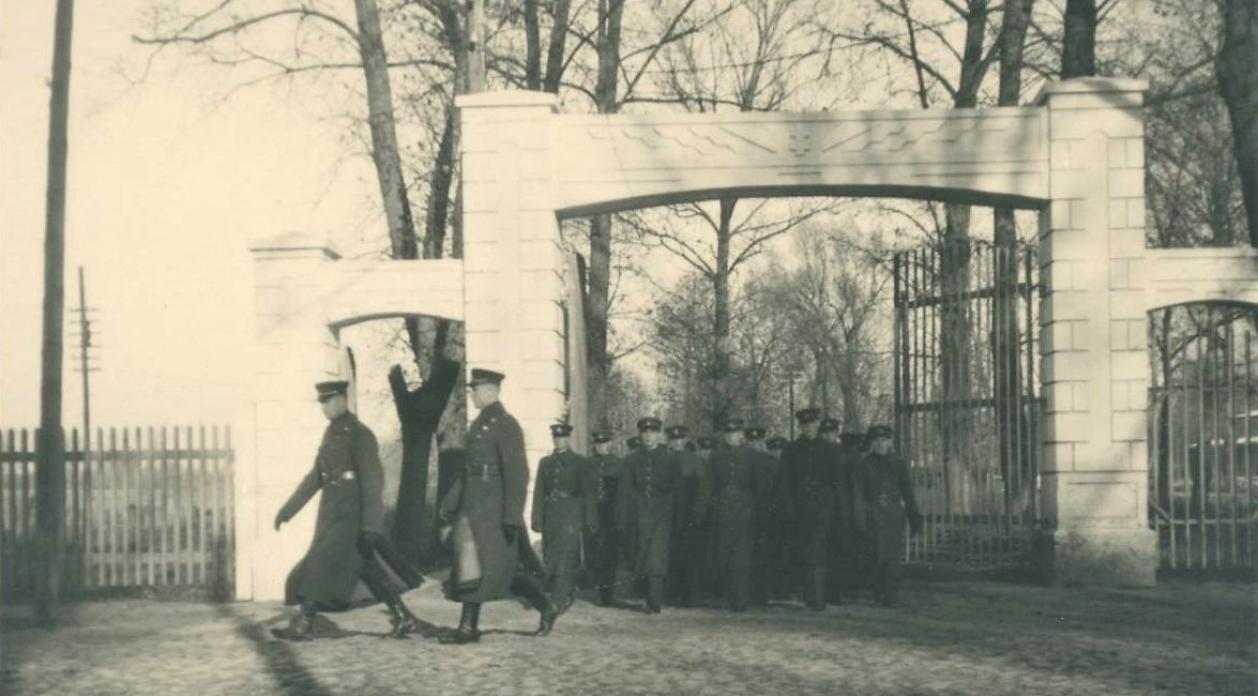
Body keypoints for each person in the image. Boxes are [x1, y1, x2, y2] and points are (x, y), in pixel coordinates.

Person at [271, 380, 425, 641]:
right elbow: (315, 477)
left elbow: (373, 482)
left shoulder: (360, 434)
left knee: (318, 563)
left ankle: (304, 624)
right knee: (366, 566)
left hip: (351, 518)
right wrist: (287, 510)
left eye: (329, 401)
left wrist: (371, 525)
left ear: (343, 399)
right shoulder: (330, 434)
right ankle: (403, 616)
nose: (324, 407)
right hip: (331, 515)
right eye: (322, 402)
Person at [436, 368, 560, 644]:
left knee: (499, 568)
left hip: (494, 510)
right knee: (475, 563)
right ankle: (468, 627)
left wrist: (512, 515)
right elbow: (467, 470)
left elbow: (518, 474)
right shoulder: (478, 425)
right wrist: (450, 502)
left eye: (475, 389)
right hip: (472, 507)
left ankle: (545, 607)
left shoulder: (506, 425)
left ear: (490, 390)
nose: (472, 394)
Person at [616, 417, 681, 613]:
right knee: (642, 555)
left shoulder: (670, 458)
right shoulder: (631, 460)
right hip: (639, 515)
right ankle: (648, 595)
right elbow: (624, 491)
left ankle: (655, 599)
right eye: (645, 433)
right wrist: (621, 517)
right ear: (640, 435)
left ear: (659, 435)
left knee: (656, 556)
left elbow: (677, 490)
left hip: (662, 514)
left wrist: (677, 515)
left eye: (652, 433)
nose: (648, 436)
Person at [782, 407, 840, 610]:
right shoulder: (791, 450)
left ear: (817, 424)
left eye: (812, 424)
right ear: (800, 427)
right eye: (804, 425)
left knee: (818, 551)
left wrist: (836, 507)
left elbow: (837, 482)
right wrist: (789, 507)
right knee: (805, 551)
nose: (809, 428)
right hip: (800, 509)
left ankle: (817, 597)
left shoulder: (831, 450)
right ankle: (810, 594)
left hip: (824, 509)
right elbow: (786, 483)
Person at [532, 423, 593, 612]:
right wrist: (537, 518)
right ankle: (564, 591)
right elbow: (539, 492)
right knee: (551, 555)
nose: (559, 441)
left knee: (566, 556)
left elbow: (587, 493)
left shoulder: (579, 462)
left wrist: (589, 520)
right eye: (556, 437)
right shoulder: (546, 463)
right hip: (551, 514)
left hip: (570, 514)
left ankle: (559, 598)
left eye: (563, 437)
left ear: (568, 439)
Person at [860, 425, 923, 607]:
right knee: (876, 554)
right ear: (871, 444)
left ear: (890, 442)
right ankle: (878, 589)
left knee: (893, 555)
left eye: (884, 440)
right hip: (872, 515)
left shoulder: (898, 463)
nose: (881, 444)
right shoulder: (864, 464)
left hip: (893, 515)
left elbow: (907, 492)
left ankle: (890, 593)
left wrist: (914, 518)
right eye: (877, 441)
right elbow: (859, 493)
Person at [704, 418, 758, 612]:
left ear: (741, 435)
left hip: (745, 512)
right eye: (728, 433)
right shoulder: (716, 456)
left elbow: (758, 485)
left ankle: (740, 600)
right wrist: (702, 510)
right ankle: (729, 596)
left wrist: (756, 509)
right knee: (724, 555)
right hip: (722, 512)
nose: (731, 437)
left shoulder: (751, 456)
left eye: (735, 433)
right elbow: (708, 485)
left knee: (742, 557)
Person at [666, 424, 707, 607]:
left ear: (685, 440)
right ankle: (671, 591)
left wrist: (698, 511)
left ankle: (689, 594)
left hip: (689, 514)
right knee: (669, 552)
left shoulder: (695, 460)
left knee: (689, 554)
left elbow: (703, 489)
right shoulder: (664, 459)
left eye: (680, 439)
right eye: (673, 440)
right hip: (668, 514)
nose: (677, 443)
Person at [584, 430, 623, 606]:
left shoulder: (619, 464)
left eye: (604, 443)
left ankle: (607, 593)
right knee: (594, 552)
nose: (601, 447)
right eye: (598, 444)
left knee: (609, 552)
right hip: (592, 512)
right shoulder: (587, 464)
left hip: (611, 513)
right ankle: (598, 588)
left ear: (610, 444)